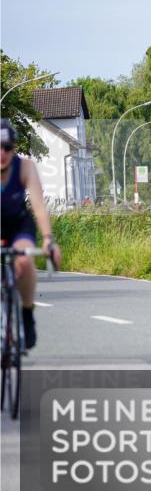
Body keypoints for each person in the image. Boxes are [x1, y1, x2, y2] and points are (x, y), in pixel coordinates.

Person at [1, 119, 62, 349]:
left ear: (14, 148)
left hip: (18, 225)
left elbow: (38, 206)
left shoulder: (25, 167)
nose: (2, 153)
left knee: (24, 261)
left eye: (6, 147)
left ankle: (27, 313)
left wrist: (48, 239)